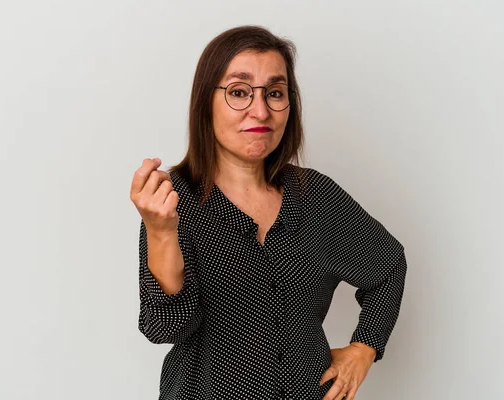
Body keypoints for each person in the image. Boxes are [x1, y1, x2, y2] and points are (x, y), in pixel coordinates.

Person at [129, 25, 407, 400]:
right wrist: (161, 233)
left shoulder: (314, 196)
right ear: (204, 103)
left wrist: (364, 347)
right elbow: (166, 329)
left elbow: (388, 265)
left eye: (275, 93)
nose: (260, 110)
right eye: (239, 92)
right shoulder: (173, 200)